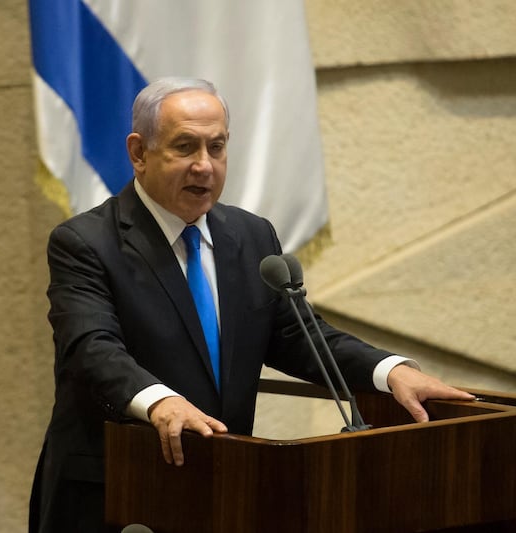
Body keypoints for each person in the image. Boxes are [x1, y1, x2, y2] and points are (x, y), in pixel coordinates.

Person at [29, 77, 474, 533]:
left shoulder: (251, 236)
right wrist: (160, 401)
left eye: (216, 147)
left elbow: (299, 336)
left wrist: (391, 371)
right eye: (185, 147)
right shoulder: (85, 242)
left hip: (224, 487)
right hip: (116, 492)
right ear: (139, 153)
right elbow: (92, 348)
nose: (204, 166)